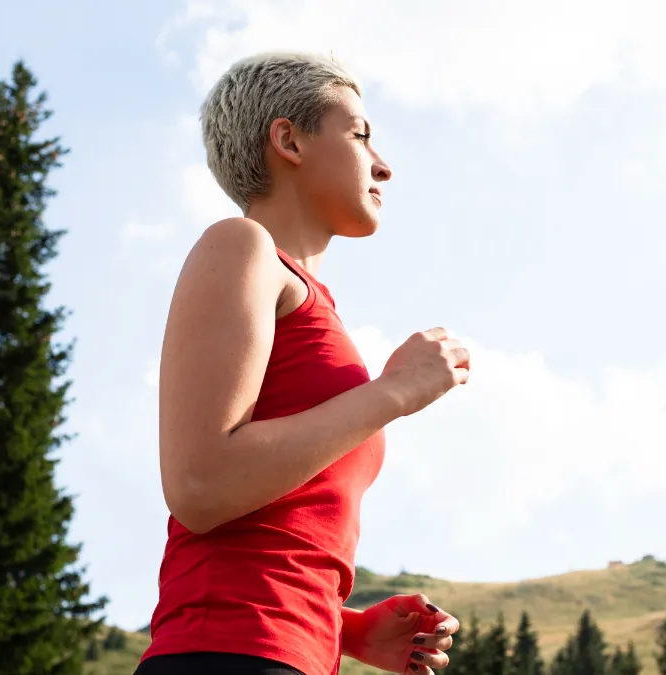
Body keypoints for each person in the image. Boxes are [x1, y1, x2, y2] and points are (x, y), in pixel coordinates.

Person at [134, 52, 468, 675]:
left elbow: (268, 526)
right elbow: (201, 486)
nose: (384, 165)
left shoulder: (314, 305)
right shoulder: (240, 246)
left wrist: (347, 631)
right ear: (288, 139)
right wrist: (392, 392)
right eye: (361, 134)